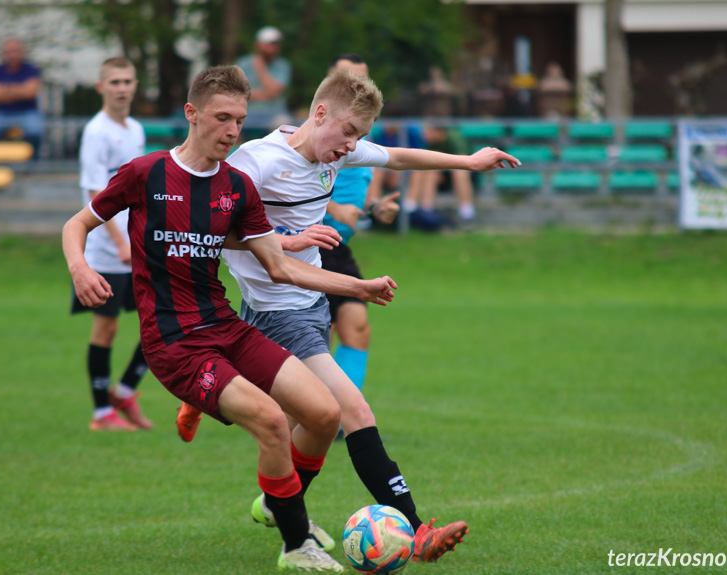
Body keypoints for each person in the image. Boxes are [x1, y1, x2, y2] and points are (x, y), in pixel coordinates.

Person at [63, 64, 397, 571]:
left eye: (240, 121)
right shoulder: (146, 173)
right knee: (268, 421)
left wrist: (358, 287)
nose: (233, 131)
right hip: (174, 342)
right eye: (222, 118)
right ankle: (295, 543)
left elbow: (279, 264)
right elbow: (79, 222)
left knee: (325, 415)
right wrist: (79, 265)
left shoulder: (236, 186)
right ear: (191, 115)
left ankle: (281, 510)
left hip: (224, 326)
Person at [178, 68, 519, 563]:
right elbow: (209, 227)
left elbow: (399, 157)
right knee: (352, 412)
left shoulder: (335, 147)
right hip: (279, 313)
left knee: (310, 421)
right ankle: (418, 529)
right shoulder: (256, 162)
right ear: (320, 114)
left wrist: (468, 161)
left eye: (359, 136)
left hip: (310, 305)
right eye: (348, 133)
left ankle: (273, 494)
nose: (351, 147)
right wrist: (286, 243)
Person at [319, 54, 400, 433]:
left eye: (363, 81)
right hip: (310, 243)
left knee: (354, 327)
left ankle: (336, 416)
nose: (358, 88)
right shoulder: (322, 132)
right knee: (317, 336)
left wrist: (372, 207)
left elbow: (353, 194)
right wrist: (336, 206)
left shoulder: (359, 136)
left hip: (337, 245)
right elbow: (291, 183)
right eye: (349, 80)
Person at [71, 57, 152, 432]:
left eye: (127, 81)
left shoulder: (134, 129)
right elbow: (93, 192)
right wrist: (120, 242)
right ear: (101, 88)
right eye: (115, 81)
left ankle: (124, 390)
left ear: (136, 85)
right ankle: (102, 413)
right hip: (107, 253)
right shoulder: (97, 132)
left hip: (135, 246)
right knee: (106, 330)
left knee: (163, 319)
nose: (122, 87)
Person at [0, 38, 44, 155]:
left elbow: (30, 93)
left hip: (27, 112)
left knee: (35, 131)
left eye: (15, 51)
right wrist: (20, 89)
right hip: (2, 113)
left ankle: (32, 163)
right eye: (9, 52)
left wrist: (4, 90)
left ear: (22, 52)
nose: (12, 55)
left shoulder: (31, 69)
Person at [235, 26, 291, 132]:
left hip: (275, 113)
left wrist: (260, 67)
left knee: (283, 124)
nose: (272, 47)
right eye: (268, 43)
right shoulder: (243, 63)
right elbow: (238, 93)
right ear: (257, 44)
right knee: (230, 123)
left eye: (275, 44)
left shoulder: (283, 65)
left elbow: (275, 91)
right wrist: (266, 94)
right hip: (246, 112)